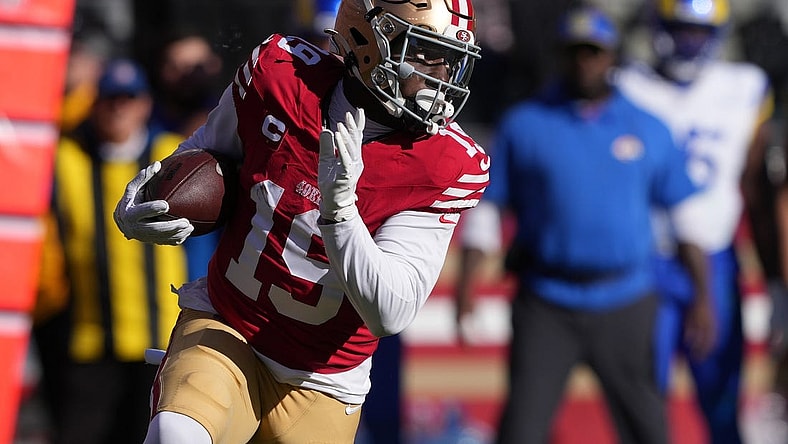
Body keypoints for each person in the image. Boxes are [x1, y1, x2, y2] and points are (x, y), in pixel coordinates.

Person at [112, 0, 489, 443]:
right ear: (368, 38)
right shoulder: (280, 73)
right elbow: (204, 156)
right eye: (423, 51)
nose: (440, 72)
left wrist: (340, 210)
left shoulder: (445, 162)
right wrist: (147, 202)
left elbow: (390, 310)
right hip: (229, 324)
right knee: (175, 434)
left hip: (325, 378)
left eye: (449, 57)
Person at [454, 6, 707, 444]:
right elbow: (489, 212)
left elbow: (685, 219)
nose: (584, 62)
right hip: (548, 300)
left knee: (648, 426)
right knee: (522, 427)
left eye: (594, 52)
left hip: (625, 299)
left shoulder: (648, 127)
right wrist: (466, 288)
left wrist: (703, 296)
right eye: (574, 52)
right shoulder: (525, 125)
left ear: (612, 58)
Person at [615, 1, 774, 442]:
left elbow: (756, 187)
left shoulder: (745, 86)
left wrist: (776, 279)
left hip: (716, 259)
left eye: (700, 32)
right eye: (680, 29)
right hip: (646, 260)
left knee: (723, 400)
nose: (690, 42)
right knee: (642, 404)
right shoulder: (627, 84)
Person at [33, 58, 188, 444]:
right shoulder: (67, 159)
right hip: (90, 340)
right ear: (92, 104)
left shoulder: (174, 156)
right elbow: (30, 129)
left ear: (145, 104)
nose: (119, 108)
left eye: (129, 97)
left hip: (162, 340)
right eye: (109, 98)